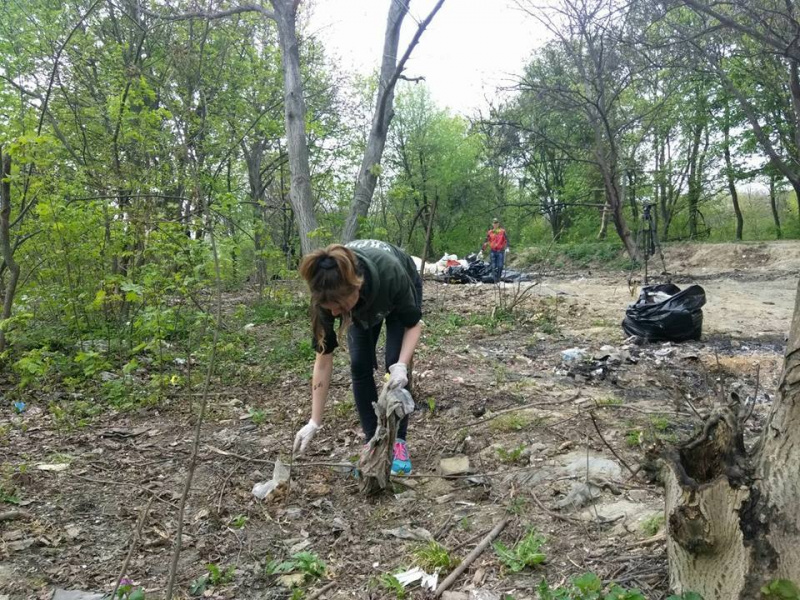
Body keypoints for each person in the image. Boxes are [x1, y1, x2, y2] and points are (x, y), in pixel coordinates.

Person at [293, 240, 423, 475]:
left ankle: (398, 443)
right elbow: (323, 360)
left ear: (356, 286)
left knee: (394, 363)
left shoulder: (390, 272)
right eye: (329, 308)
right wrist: (314, 421)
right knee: (359, 366)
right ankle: (372, 442)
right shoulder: (328, 294)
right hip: (359, 305)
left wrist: (402, 366)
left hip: (393, 291)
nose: (334, 313)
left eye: (338, 307)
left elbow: (413, 325)